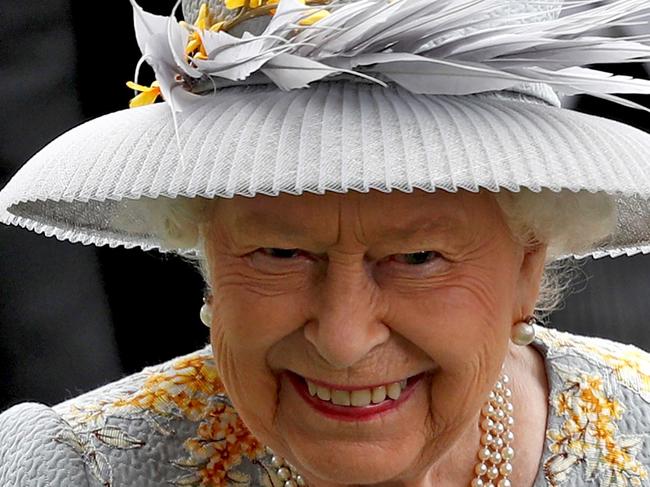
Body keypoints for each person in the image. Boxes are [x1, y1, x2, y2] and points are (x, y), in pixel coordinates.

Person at [1, 0, 650, 486]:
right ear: (208, 259)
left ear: (528, 268)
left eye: (417, 257)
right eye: (280, 253)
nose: (342, 338)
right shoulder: (75, 469)